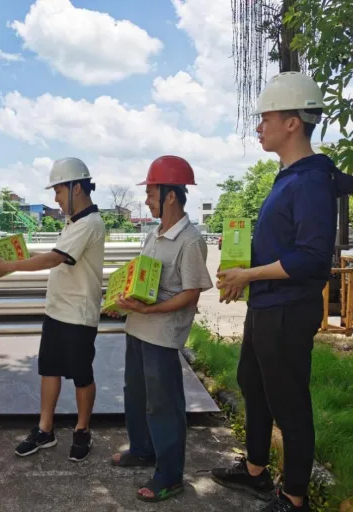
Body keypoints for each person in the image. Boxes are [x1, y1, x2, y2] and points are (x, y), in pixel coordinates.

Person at [212, 72, 353, 511]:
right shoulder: (288, 176)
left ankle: (294, 497)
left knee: (289, 402)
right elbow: (282, 244)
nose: (258, 127)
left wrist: (249, 275)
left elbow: (312, 259)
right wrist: (241, 267)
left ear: (292, 123)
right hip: (266, 305)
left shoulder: (311, 181)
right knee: (252, 383)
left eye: (265, 118)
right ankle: (255, 472)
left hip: (287, 309)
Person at [0, 157, 105, 462]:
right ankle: (45, 429)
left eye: (59, 190)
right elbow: (52, 253)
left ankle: (82, 430)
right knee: (49, 370)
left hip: (78, 314)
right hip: (57, 311)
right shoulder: (73, 222)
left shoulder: (89, 223)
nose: (56, 198)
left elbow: (54, 259)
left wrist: (9, 267)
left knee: (81, 375)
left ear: (77, 188)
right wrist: (13, 255)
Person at [107, 156, 213, 503]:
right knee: (136, 395)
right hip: (138, 327)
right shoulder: (154, 234)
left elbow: (191, 293)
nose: (147, 200)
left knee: (163, 404)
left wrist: (150, 309)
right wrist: (123, 302)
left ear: (170, 196)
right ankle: (142, 450)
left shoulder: (190, 240)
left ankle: (169, 475)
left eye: (151, 194)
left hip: (162, 335)